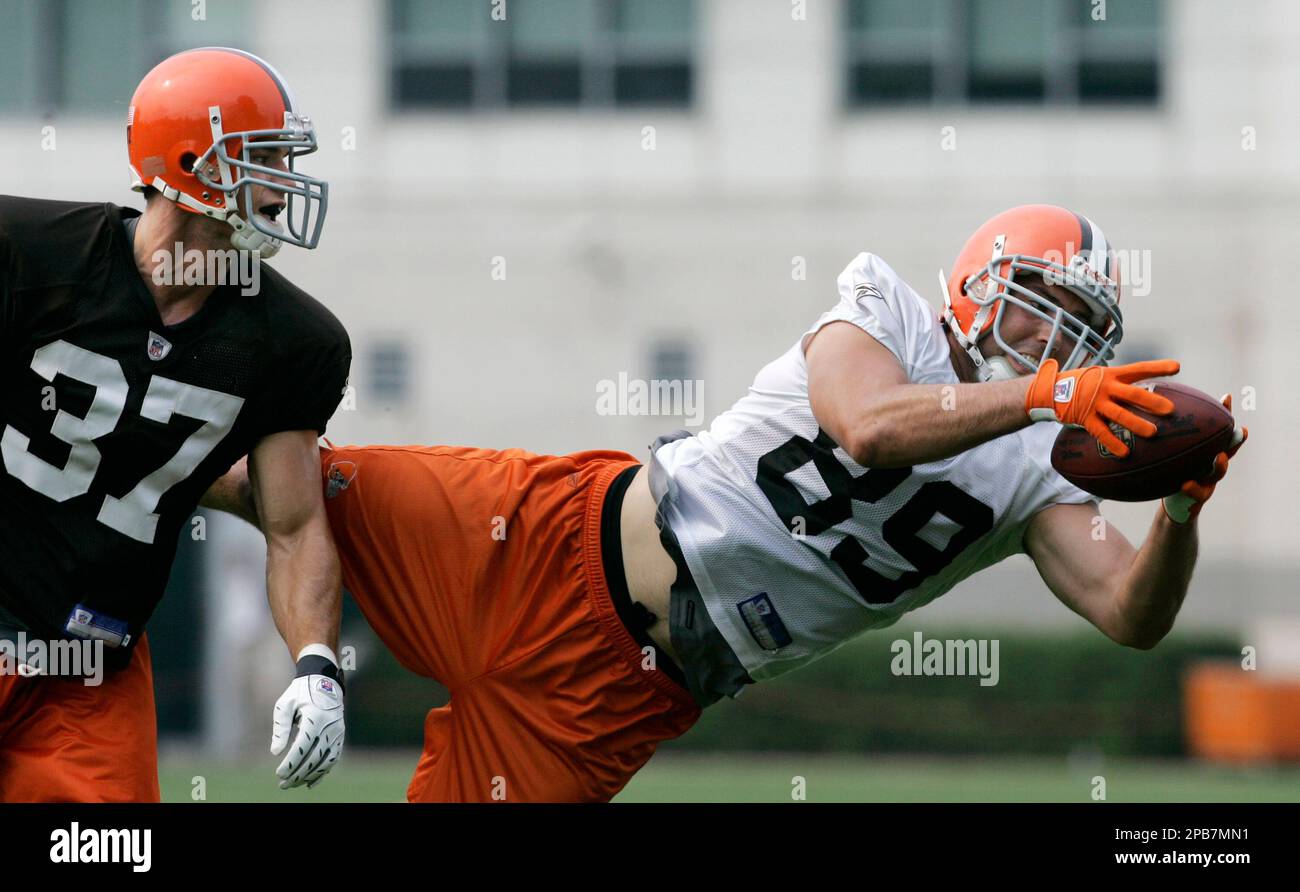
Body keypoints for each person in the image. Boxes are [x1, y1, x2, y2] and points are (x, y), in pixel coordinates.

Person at [209, 204, 1246, 802]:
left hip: (618, 699)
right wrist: (1041, 393)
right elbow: (867, 425)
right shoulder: (886, 307)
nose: (1056, 346)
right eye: (1041, 312)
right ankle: (87, 469)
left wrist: (1180, 512)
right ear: (980, 284)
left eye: (1079, 331)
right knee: (265, 483)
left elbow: (1129, 613)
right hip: (544, 535)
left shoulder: (1034, 473)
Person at [0, 47, 352, 801]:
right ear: (190, 160)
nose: (283, 188)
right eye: (263, 160)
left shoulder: (292, 340)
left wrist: (318, 663)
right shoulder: (33, 253)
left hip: (90, 671)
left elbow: (292, 524)